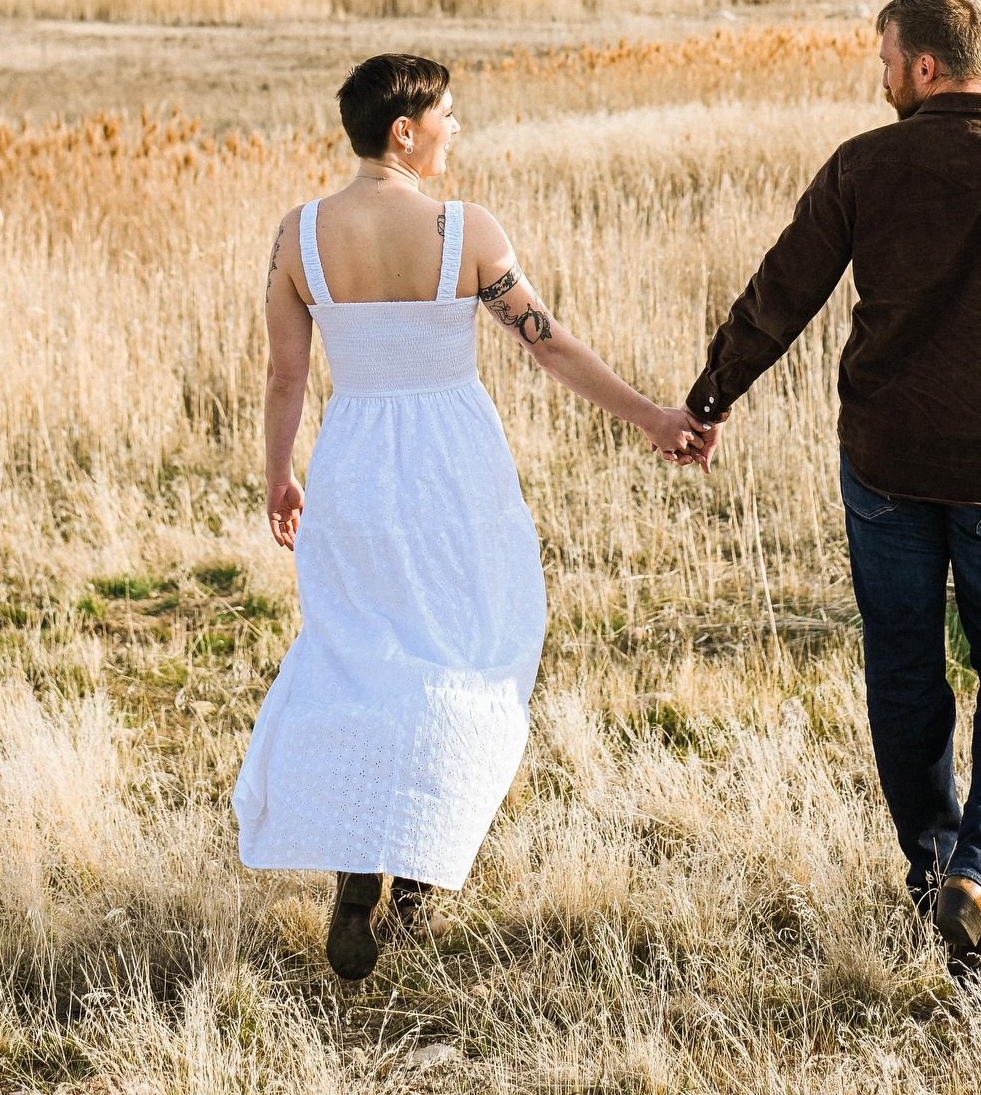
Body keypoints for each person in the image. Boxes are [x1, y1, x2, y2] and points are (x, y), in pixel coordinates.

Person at [682, 0, 981, 983]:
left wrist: (711, 397)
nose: (878, 76)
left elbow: (779, 297)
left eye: (884, 58)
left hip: (886, 465)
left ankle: (935, 873)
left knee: (903, 662)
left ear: (925, 66)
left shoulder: (865, 165)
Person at [232, 53, 705, 980]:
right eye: (448, 114)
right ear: (403, 131)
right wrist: (652, 416)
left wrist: (280, 476)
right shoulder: (464, 231)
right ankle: (417, 871)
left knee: (361, 656)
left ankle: (358, 873)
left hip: (355, 468)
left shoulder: (299, 238)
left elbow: (287, 376)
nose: (457, 128)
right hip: (454, 473)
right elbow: (550, 347)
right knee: (476, 651)